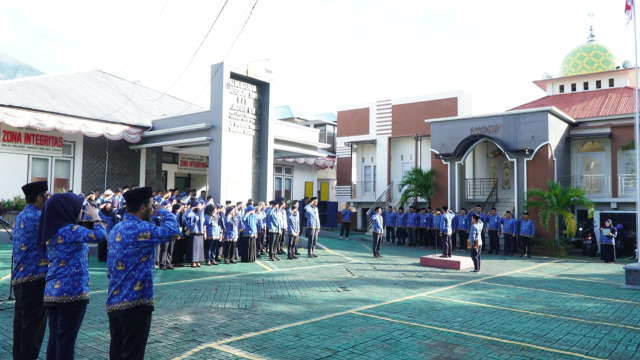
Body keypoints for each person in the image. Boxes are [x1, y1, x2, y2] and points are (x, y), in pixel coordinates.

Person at [106, 187, 181, 360]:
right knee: (133, 354)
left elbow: (110, 270)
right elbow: (174, 231)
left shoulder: (116, 229)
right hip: (135, 304)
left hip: (114, 301)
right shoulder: (142, 229)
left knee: (117, 354)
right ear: (142, 208)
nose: (152, 208)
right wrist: (163, 211)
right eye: (151, 205)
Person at [36, 193, 107, 359]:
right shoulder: (71, 230)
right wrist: (96, 217)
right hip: (72, 294)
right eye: (78, 208)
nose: (81, 212)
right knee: (66, 342)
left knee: (55, 340)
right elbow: (100, 236)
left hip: (52, 293)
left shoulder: (51, 231)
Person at [12, 181, 48, 360]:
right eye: (47, 196)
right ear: (40, 198)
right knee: (32, 330)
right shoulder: (40, 217)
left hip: (20, 279)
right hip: (35, 280)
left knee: (21, 325)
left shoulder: (21, 216)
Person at [185, 201, 205, 267]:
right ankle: (193, 261)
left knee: (199, 247)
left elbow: (204, 223)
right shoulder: (192, 212)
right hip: (194, 231)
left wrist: (204, 232)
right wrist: (192, 209)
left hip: (200, 232)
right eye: (198, 205)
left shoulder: (202, 213)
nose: (199, 206)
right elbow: (187, 216)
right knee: (194, 247)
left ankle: (198, 260)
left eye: (200, 205)